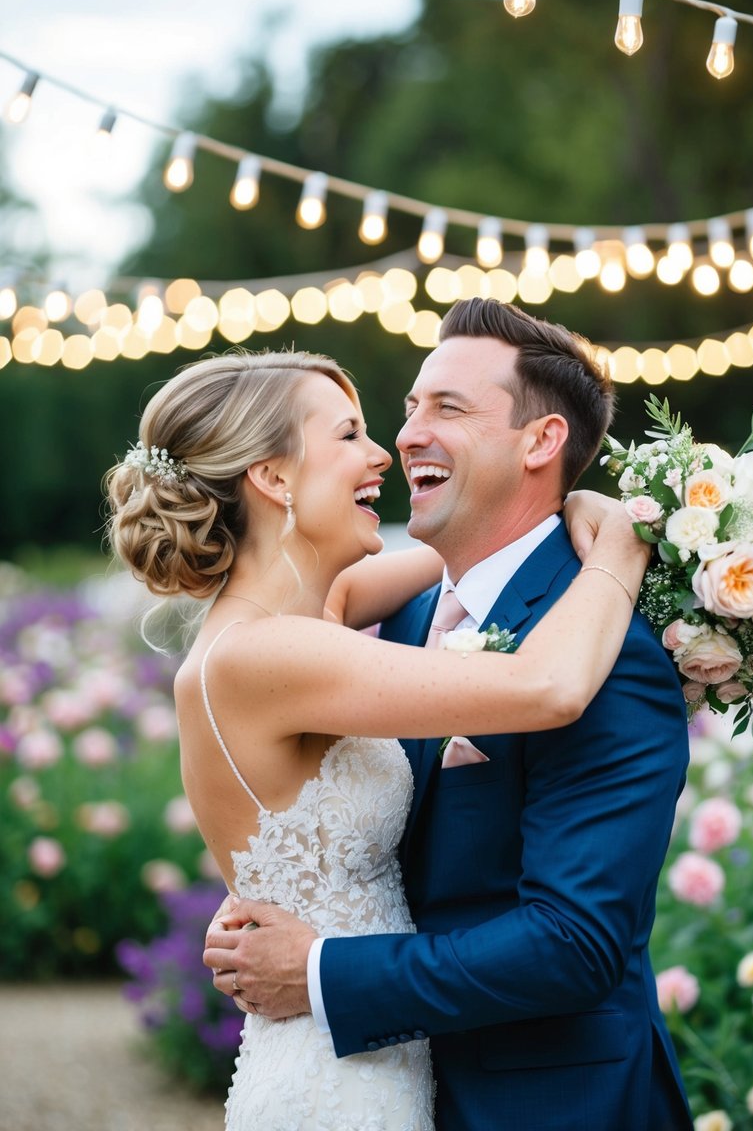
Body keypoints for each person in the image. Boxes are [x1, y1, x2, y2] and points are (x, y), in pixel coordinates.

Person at [106, 341, 651, 1131]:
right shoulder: (267, 654)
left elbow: (456, 561)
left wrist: (561, 501)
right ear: (273, 477)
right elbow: (549, 685)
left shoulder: (302, 617)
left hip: (372, 1045)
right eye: (347, 434)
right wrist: (624, 543)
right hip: (337, 1080)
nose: (381, 454)